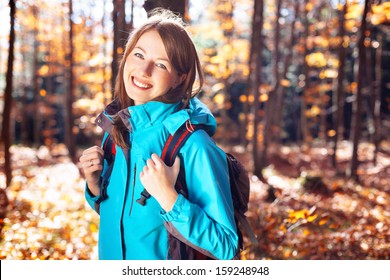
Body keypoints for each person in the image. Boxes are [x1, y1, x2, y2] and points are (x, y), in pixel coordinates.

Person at [79, 9, 239, 260]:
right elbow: (121, 220)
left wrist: (169, 197)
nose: (144, 69)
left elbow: (227, 248)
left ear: (179, 78)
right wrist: (94, 184)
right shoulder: (117, 130)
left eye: (161, 64)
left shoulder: (194, 145)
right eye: (139, 55)